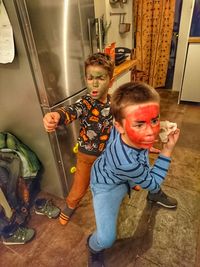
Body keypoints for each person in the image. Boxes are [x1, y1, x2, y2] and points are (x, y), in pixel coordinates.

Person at [87, 82, 180, 267]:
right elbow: (152, 182)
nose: (151, 132)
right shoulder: (126, 162)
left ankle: (151, 194)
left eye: (154, 120)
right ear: (119, 126)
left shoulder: (125, 126)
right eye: (140, 124)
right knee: (106, 238)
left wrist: (151, 129)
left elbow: (141, 122)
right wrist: (167, 149)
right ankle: (93, 247)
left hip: (120, 173)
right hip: (106, 185)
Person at [43, 52, 115, 225]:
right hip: (86, 157)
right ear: (85, 79)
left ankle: (129, 182)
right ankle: (70, 205)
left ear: (111, 81)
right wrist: (55, 115)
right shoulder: (85, 103)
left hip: (108, 155)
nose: (95, 83)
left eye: (101, 78)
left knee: (113, 181)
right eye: (90, 78)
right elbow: (70, 111)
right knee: (79, 186)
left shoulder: (115, 103)